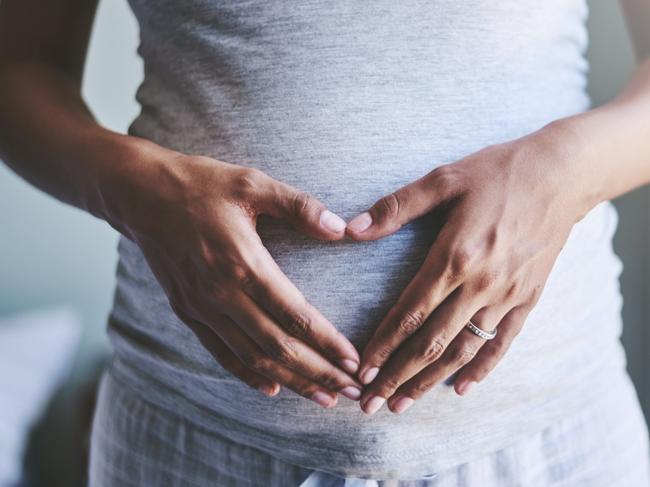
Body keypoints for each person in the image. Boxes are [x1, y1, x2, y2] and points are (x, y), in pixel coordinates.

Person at [2, 0, 650, 485]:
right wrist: (137, 188)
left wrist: (565, 171)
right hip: (195, 440)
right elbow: (16, 68)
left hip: (551, 442)